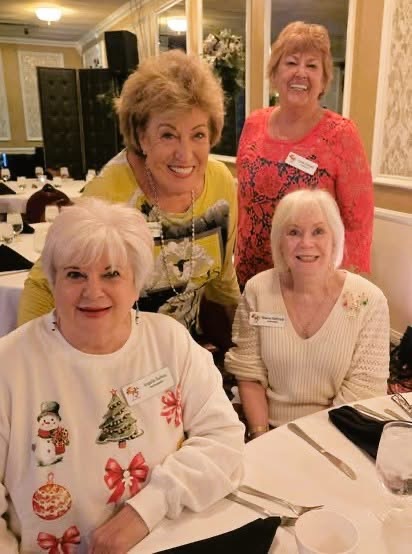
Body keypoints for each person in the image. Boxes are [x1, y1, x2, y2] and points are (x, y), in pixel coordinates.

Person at [0, 198, 244, 553]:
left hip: (162, 542)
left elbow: (223, 439)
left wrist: (147, 509)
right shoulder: (9, 364)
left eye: (111, 274)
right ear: (53, 281)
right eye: (75, 274)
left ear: (136, 282)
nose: (93, 291)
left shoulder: (169, 342)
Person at [18, 49, 240, 351]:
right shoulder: (110, 193)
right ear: (141, 136)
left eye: (198, 135)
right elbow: (45, 284)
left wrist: (242, 350)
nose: (185, 154)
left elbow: (222, 280)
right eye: (168, 135)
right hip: (115, 356)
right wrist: (33, 362)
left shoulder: (221, 184)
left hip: (181, 353)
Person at [225, 189, 389, 437]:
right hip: (267, 429)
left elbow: (363, 391)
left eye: (318, 231)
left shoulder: (369, 301)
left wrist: (313, 446)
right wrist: (261, 435)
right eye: (293, 232)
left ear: (335, 239)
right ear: (279, 241)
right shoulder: (258, 290)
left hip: (339, 432)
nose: (306, 243)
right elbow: (249, 373)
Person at [235, 21, 374, 289]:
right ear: (275, 73)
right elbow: (243, 204)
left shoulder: (341, 134)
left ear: (323, 80)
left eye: (312, 66)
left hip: (310, 283)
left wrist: (342, 288)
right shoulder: (254, 124)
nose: (301, 73)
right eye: (291, 63)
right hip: (250, 276)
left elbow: (359, 224)